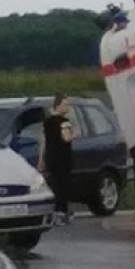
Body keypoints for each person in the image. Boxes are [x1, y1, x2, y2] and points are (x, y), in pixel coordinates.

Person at [39, 95, 75, 226]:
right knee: (63, 186)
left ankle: (55, 212)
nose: (67, 107)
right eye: (65, 104)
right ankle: (62, 213)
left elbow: (43, 141)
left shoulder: (47, 122)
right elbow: (66, 138)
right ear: (58, 105)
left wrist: (41, 158)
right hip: (63, 158)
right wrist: (74, 134)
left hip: (51, 157)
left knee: (54, 185)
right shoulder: (65, 121)